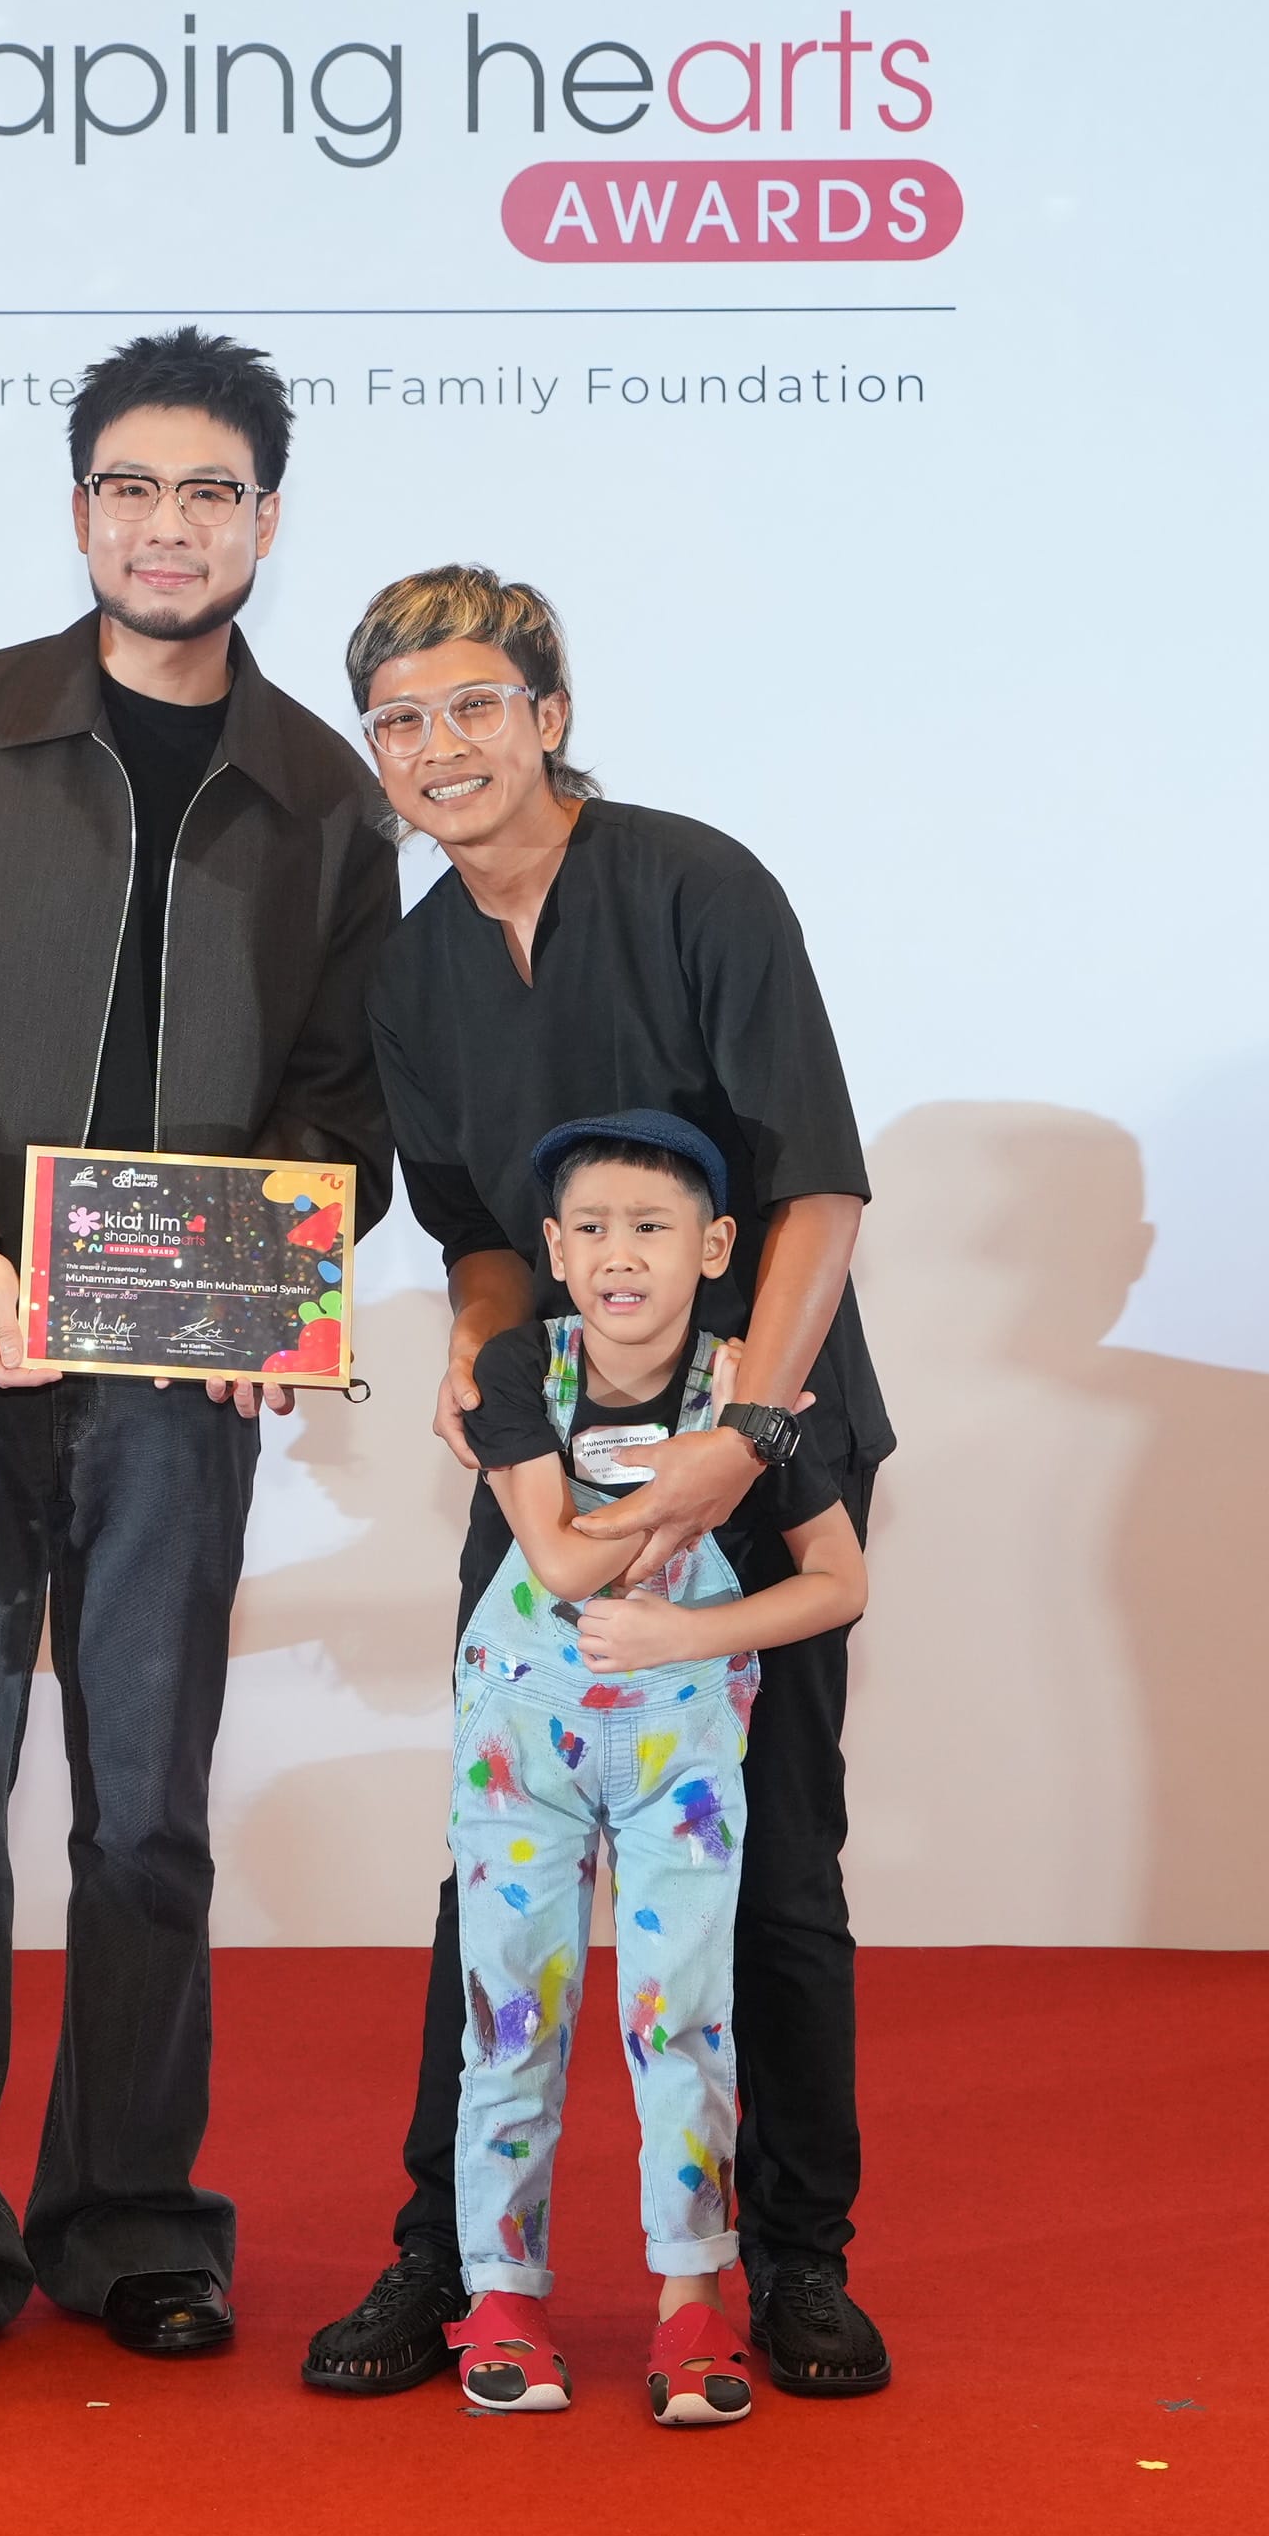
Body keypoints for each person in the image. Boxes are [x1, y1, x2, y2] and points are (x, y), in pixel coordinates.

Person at [0, 328, 397, 2383]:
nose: (170, 526)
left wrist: (279, 1295)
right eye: (133, 489)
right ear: (80, 512)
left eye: (211, 495)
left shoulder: (323, 792)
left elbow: (341, 1090)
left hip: (177, 1386)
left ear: (266, 523)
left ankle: (134, 2214)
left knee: (149, 1812)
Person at [304, 564, 906, 2404]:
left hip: (769, 1423)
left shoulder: (696, 884)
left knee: (773, 1859)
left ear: (549, 716)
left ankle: (791, 2258)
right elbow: (484, 1238)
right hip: (555, 1449)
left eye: (474, 705)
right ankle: (451, 2259)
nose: (439, 747)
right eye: (400, 722)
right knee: (500, 1868)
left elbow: (816, 1185)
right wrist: (495, 1396)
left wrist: (744, 1436)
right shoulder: (408, 969)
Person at [433, 1113, 873, 2427]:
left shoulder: (754, 1388)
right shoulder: (522, 1369)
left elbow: (840, 1585)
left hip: (685, 1753)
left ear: (716, 1245)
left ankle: (695, 2298)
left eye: (653, 1226)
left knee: (682, 2018)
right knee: (512, 2014)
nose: (621, 1255)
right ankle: (501, 2291)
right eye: (592, 1229)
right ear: (556, 1251)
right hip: (523, 1748)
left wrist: (694, 1630)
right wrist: (723, 1461)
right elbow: (559, 1566)